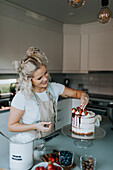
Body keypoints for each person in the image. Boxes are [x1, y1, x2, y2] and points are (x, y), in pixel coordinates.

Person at [7, 47, 89, 139]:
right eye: (39, 78)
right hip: (31, 143)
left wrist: (84, 95)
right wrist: (35, 126)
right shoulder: (22, 96)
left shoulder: (54, 88)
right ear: (29, 80)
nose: (45, 79)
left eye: (45, 73)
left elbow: (77, 93)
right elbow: (11, 126)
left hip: (51, 139)